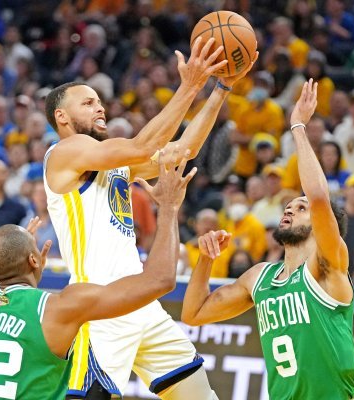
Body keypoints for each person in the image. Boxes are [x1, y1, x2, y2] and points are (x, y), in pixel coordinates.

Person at [44, 38, 257, 399]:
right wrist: (189, 85)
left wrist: (221, 89)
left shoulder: (113, 165)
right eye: (88, 102)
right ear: (61, 117)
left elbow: (182, 151)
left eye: (99, 101)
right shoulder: (64, 152)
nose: (100, 108)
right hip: (102, 305)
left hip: (141, 301)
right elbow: (144, 145)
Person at [182, 80, 354, 400]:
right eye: (288, 206)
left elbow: (319, 197)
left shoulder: (328, 266)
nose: (289, 210)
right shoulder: (259, 277)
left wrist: (298, 126)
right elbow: (194, 314)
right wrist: (206, 260)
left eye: (300, 208)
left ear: (321, 225)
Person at [0, 153, 196, 400]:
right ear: (34, 260)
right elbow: (161, 279)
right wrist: (168, 207)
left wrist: (15, 256)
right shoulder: (62, 308)